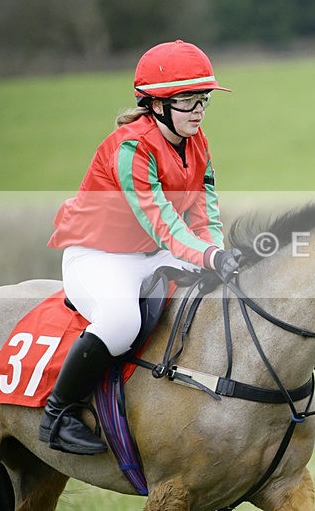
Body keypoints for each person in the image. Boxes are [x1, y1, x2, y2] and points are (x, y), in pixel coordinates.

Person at [40, 40, 240, 455]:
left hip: (152, 255)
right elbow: (163, 221)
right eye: (188, 100)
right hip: (98, 256)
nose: (199, 109)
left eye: (203, 99)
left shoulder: (198, 141)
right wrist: (207, 256)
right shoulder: (130, 147)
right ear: (157, 104)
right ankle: (58, 413)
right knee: (119, 321)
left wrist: (217, 252)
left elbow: (205, 214)